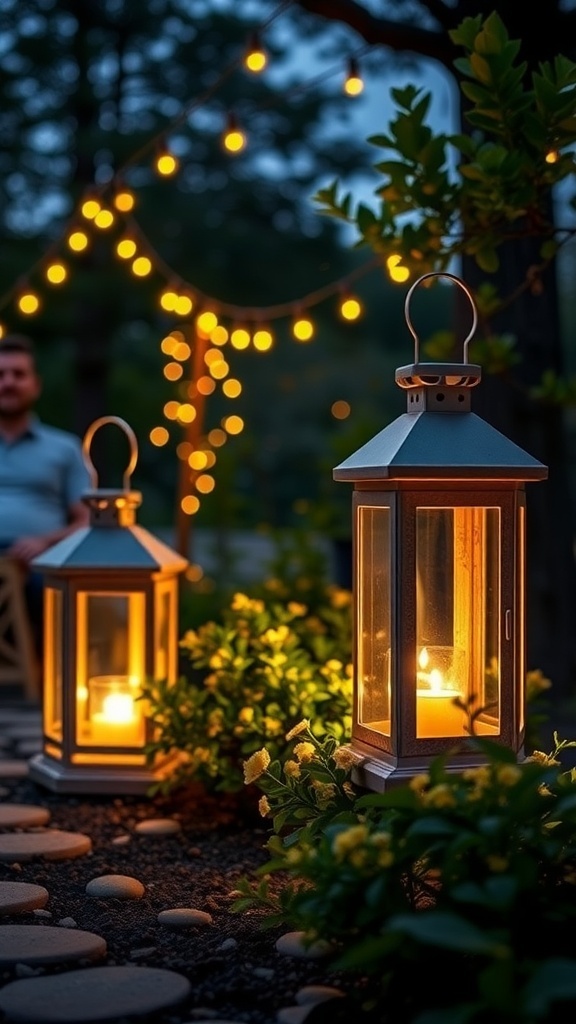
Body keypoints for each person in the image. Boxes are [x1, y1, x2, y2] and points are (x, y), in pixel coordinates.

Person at [0, 334, 91, 654]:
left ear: (35, 385)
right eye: (1, 375)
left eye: (18, 374)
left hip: (40, 559)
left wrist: (44, 543)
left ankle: (52, 683)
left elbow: (85, 521)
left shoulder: (64, 448)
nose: (8, 382)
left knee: (57, 589)